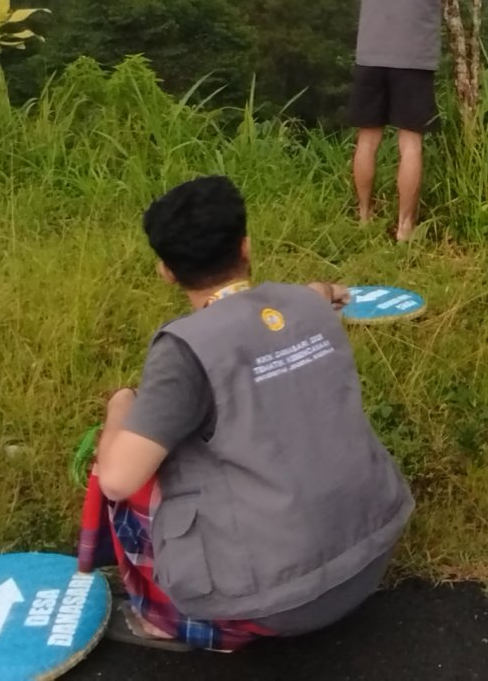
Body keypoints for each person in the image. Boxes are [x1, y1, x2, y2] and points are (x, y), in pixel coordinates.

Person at [79, 175, 414, 651]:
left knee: (125, 464)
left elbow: (116, 478)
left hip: (278, 604)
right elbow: (320, 294)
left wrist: (120, 404)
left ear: (166, 272)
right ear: (247, 247)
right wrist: (326, 289)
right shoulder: (305, 305)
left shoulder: (184, 351)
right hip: (369, 559)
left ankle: (159, 616)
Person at [350, 0, 487, 241]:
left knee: (368, 139)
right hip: (413, 59)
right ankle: (405, 227)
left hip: (370, 56)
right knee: (410, 143)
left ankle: (363, 216)